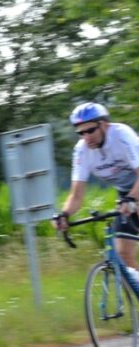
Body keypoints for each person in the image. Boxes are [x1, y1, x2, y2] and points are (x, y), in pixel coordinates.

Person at [54, 102, 139, 286]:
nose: (86, 137)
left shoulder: (122, 135)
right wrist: (64, 214)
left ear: (104, 124)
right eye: (81, 133)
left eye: (90, 130)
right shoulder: (82, 151)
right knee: (123, 254)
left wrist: (132, 198)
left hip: (135, 189)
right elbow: (76, 195)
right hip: (126, 193)